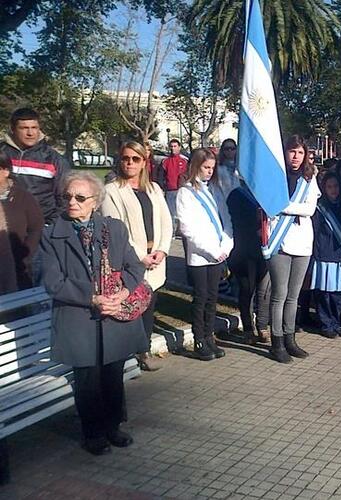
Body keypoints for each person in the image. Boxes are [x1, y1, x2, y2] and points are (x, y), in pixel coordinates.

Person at [40, 170, 147, 456]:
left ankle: (113, 427)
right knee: (87, 378)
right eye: (67, 197)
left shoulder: (114, 229)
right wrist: (92, 297)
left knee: (113, 372)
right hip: (79, 317)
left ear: (95, 201)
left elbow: (134, 268)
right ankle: (93, 434)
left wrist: (121, 294)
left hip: (113, 313)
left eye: (79, 197)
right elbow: (53, 282)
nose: (71, 202)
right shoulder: (52, 234)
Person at [100, 141, 173, 371]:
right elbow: (116, 229)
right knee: (129, 308)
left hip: (156, 258)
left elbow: (166, 222)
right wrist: (141, 256)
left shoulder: (153, 189)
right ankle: (125, 355)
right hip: (130, 261)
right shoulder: (112, 191)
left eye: (135, 159)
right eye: (125, 158)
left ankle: (144, 350)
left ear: (144, 162)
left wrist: (162, 249)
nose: (130, 163)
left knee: (148, 308)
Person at [265, 135, 320, 362]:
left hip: (303, 242)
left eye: (300, 152)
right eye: (292, 152)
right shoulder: (275, 176)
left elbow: (310, 209)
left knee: (294, 295)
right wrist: (291, 207)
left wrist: (285, 206)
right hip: (279, 241)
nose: (296, 157)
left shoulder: (310, 177)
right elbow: (270, 204)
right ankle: (276, 342)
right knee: (279, 294)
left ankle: (290, 338)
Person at [176, 148, 234, 361]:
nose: (209, 171)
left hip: (219, 253)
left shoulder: (216, 190)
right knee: (200, 298)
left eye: (212, 168)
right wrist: (211, 250)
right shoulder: (187, 192)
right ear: (196, 166)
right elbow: (187, 228)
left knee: (213, 297)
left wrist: (227, 246)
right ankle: (199, 339)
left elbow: (226, 219)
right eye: (205, 167)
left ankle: (209, 336)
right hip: (200, 255)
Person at [0, 108, 71, 226]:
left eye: (34, 128)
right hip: (4, 227)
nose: (30, 133)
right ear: (13, 129)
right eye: (24, 128)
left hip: (40, 228)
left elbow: (65, 198)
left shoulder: (54, 159)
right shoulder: (2, 154)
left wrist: (49, 225)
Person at [227, 185, 271, 343]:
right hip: (244, 250)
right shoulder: (236, 195)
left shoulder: (265, 193)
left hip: (264, 249)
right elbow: (235, 221)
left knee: (264, 290)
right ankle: (248, 328)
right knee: (247, 290)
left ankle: (263, 326)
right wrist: (255, 229)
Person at [0, 150, 44, 293]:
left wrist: (26, 255)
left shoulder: (23, 197)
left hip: (18, 265)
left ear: (5, 171)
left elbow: (36, 228)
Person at [310, 172, 341, 338]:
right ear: (324, 188)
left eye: (336, 186)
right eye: (329, 187)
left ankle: (336, 322)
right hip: (323, 255)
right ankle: (326, 324)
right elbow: (315, 232)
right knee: (324, 293)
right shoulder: (319, 207)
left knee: (337, 294)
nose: (333, 190)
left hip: (338, 255)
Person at [161, 139, 188, 229]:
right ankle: (171, 231)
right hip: (170, 191)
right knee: (170, 213)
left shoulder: (185, 161)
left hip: (181, 190)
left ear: (179, 147)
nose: (173, 148)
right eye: (171, 146)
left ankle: (181, 230)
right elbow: (162, 176)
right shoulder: (165, 161)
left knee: (182, 212)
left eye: (175, 146)